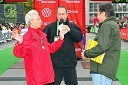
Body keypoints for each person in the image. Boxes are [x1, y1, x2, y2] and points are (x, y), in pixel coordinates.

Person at [12, 10, 67, 85]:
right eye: (38, 19)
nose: (41, 21)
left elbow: (51, 49)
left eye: (40, 18)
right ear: (31, 21)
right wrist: (20, 43)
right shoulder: (27, 37)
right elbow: (19, 54)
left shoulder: (42, 35)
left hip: (48, 77)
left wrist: (60, 39)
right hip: (36, 79)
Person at [81, 3, 121, 85]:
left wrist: (86, 53)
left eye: (98, 14)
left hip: (102, 68)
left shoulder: (107, 25)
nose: (97, 17)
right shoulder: (112, 24)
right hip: (106, 67)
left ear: (103, 14)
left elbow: (102, 46)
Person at [43, 6, 82, 85]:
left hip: (70, 64)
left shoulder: (72, 26)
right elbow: (43, 43)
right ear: (56, 15)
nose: (61, 16)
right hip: (55, 65)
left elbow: (79, 38)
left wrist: (70, 30)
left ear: (67, 15)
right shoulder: (50, 27)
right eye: (59, 14)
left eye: (63, 14)